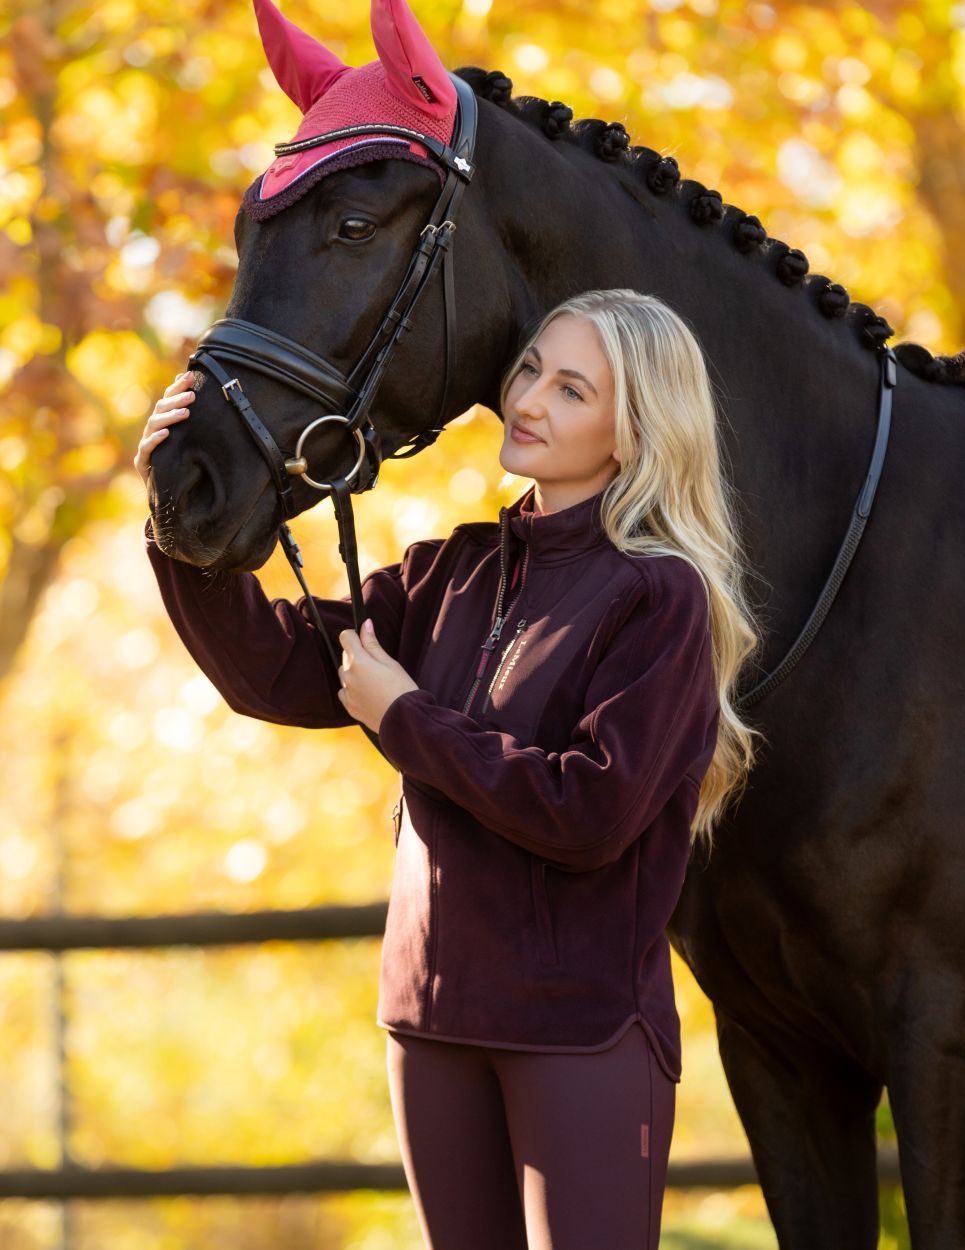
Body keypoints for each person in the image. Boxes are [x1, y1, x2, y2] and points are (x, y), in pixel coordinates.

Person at [136, 287, 762, 1250]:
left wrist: (407, 717)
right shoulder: (453, 571)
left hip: (578, 1029)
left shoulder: (659, 596)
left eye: (570, 388)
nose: (529, 399)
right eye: (529, 370)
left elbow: (587, 811)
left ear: (632, 432)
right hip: (429, 1019)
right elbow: (273, 670)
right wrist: (177, 511)